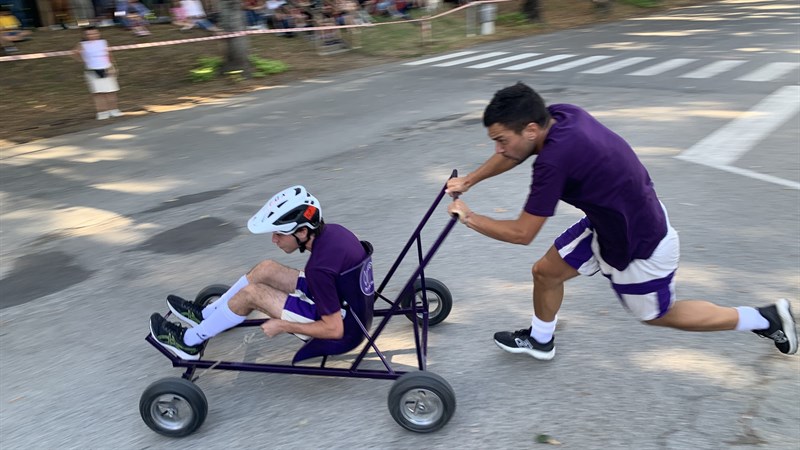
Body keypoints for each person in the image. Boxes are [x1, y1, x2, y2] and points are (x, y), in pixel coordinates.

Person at [446, 82, 797, 361]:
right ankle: (540, 341)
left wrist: (470, 216)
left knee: (659, 315)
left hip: (639, 244)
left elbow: (523, 233)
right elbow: (515, 153)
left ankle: (765, 318)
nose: (498, 149)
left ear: (532, 129)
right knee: (545, 272)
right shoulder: (562, 115)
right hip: (611, 221)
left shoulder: (553, 162)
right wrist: (470, 180)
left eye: (500, 140)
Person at [149, 185, 371, 360]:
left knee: (252, 294)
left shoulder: (318, 269)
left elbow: (333, 330)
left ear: (302, 231)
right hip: (346, 299)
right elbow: (328, 275)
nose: (274, 239)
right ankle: (206, 316)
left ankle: (189, 342)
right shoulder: (334, 232)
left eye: (279, 234)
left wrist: (282, 325)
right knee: (266, 268)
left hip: (345, 330)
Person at [72, 26, 122, 120]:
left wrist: (113, 66)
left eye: (95, 33)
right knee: (98, 93)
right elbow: (74, 54)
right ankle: (102, 112)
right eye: (89, 34)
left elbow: (109, 55)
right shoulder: (82, 44)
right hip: (92, 70)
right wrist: (84, 60)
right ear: (85, 35)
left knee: (111, 92)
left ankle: (114, 109)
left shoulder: (103, 42)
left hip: (106, 68)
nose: (92, 35)